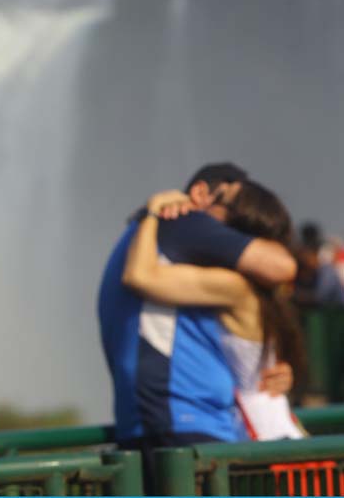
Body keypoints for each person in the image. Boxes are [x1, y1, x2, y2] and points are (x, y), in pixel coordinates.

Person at [97, 162, 296, 491]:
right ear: (201, 194)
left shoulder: (143, 235)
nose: (232, 235)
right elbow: (281, 265)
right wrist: (153, 210)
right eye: (234, 210)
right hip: (186, 425)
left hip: (155, 421)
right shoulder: (184, 223)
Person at [123, 183, 306, 441]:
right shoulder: (267, 295)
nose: (203, 209)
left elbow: (139, 276)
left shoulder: (235, 287)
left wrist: (152, 212)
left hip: (261, 441)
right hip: (274, 431)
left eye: (217, 200)